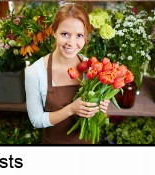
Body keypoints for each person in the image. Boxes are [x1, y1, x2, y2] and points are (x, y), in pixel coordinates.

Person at [25, 3, 110, 144]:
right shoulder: (35, 72)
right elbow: (36, 120)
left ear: (86, 36)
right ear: (54, 32)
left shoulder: (92, 66)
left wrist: (100, 106)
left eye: (79, 35)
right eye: (65, 34)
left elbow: (96, 113)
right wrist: (71, 109)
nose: (71, 43)